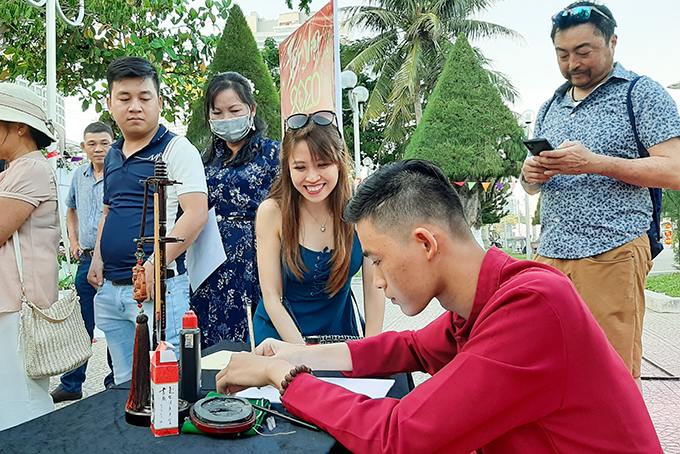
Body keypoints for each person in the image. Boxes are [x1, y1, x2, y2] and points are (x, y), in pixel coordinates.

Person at [216, 159, 663, 453]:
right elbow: (407, 348)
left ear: (426, 243)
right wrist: (295, 354)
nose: (374, 279)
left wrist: (283, 378)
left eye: (376, 259)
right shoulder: (489, 298)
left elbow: (399, 436)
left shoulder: (534, 307)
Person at [521, 1, 680, 389]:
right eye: (562, 54)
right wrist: (530, 176)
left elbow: (674, 169)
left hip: (611, 250)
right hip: (552, 253)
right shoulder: (550, 106)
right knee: (550, 370)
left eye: (584, 51)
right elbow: (534, 185)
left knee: (610, 375)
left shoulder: (642, 94)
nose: (572, 63)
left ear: (612, 42)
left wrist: (594, 162)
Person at [88, 56, 209, 384]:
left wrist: (154, 267)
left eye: (144, 97)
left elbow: (196, 213)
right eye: (124, 98)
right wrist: (97, 259)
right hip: (111, 290)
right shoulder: (112, 153)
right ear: (110, 103)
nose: (135, 107)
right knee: (127, 386)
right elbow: (109, 210)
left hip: (160, 288)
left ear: (158, 101)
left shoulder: (176, 149)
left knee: (169, 384)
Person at [252, 111, 385, 345]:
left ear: (339, 163)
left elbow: (375, 288)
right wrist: (304, 355)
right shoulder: (272, 212)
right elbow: (272, 297)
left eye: (322, 164)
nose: (312, 177)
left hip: (340, 337)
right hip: (280, 339)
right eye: (300, 167)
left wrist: (371, 349)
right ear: (288, 169)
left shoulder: (363, 210)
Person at [189, 72, 280, 348]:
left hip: (257, 254)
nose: (226, 118)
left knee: (256, 328)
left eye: (234, 110)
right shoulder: (203, 159)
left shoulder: (275, 154)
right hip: (209, 258)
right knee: (210, 334)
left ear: (251, 110)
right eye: (217, 112)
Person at [0, 82, 60, 430]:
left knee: (21, 400)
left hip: (19, 305)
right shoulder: (13, 171)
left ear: (20, 126)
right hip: (11, 302)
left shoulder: (30, 169)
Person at [49, 122, 116, 403]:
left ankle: (117, 381)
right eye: (92, 143)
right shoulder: (79, 175)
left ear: (113, 143)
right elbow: (71, 210)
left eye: (104, 143)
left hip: (115, 261)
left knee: (115, 322)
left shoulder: (120, 173)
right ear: (84, 147)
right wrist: (73, 242)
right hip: (86, 260)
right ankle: (72, 383)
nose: (98, 148)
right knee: (81, 323)